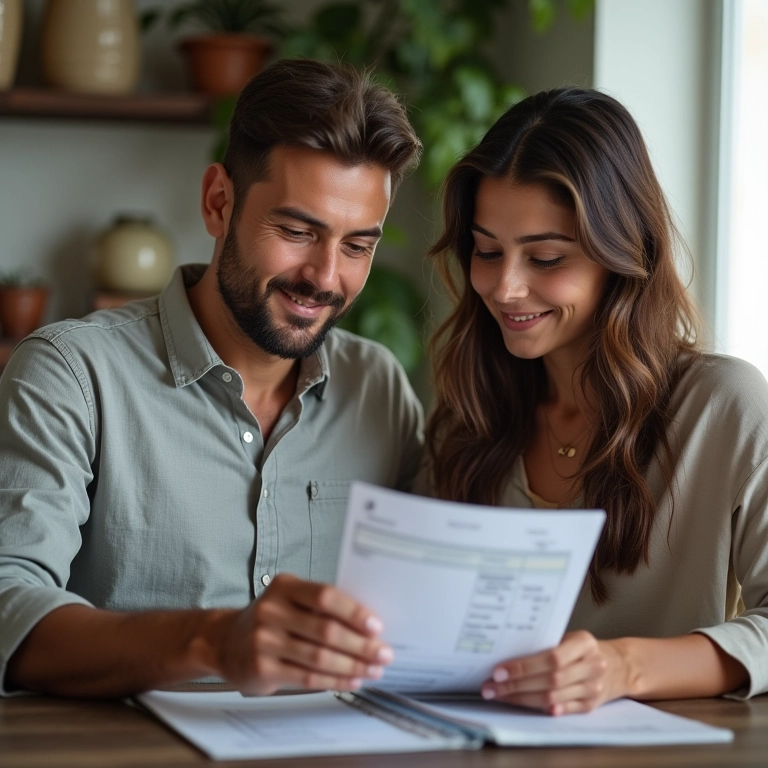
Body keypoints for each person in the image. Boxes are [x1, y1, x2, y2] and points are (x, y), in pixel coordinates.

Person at [0, 59, 424, 697]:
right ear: (218, 202)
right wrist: (213, 642)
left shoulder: (380, 388)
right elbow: (9, 607)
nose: (325, 276)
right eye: (297, 231)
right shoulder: (70, 375)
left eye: (357, 245)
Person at [424, 87, 768, 714]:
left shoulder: (725, 406)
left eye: (547, 257)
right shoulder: (468, 416)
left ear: (623, 252)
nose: (505, 287)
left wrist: (623, 667)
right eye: (487, 250)